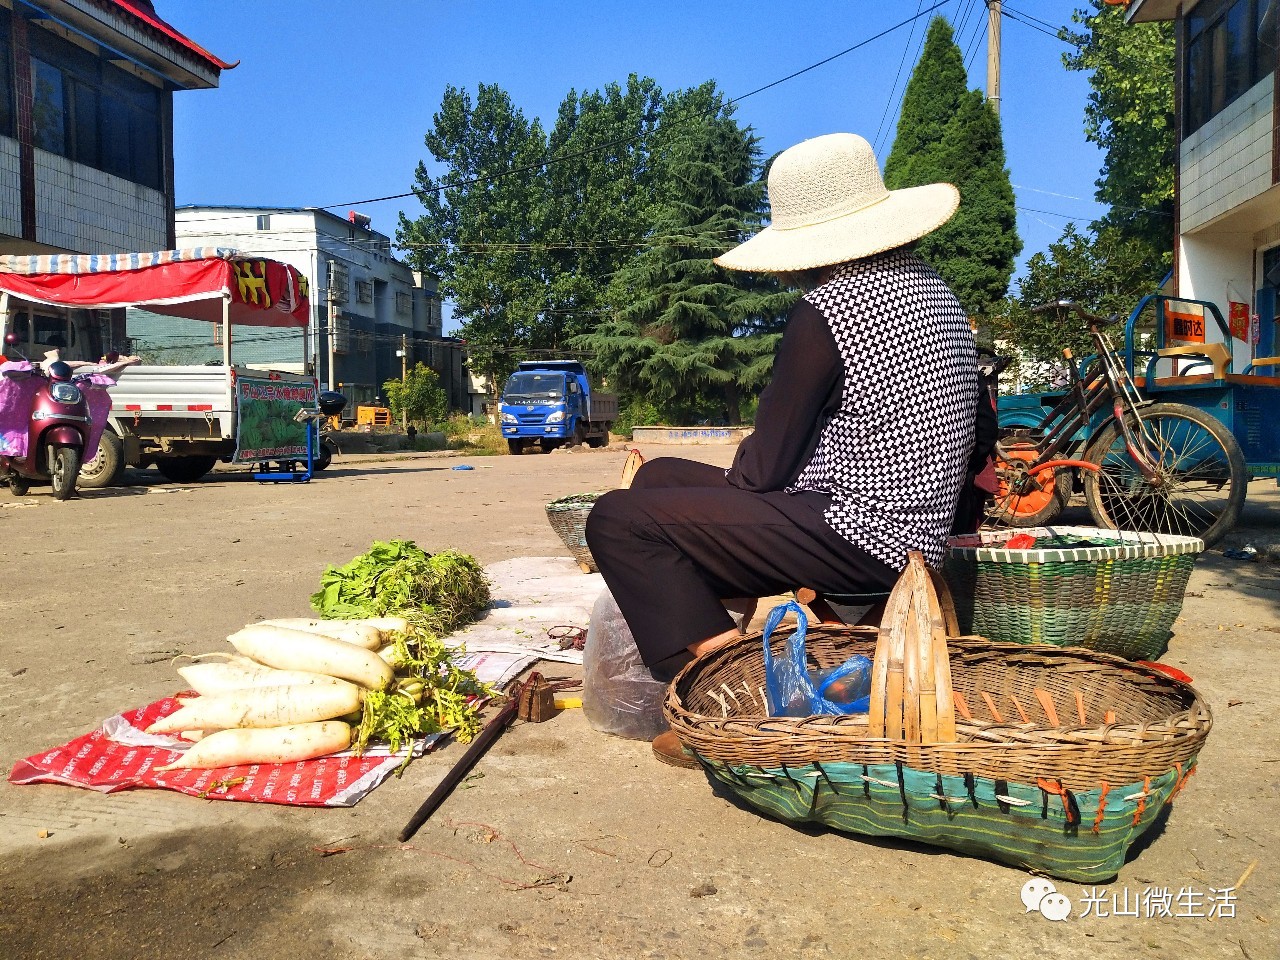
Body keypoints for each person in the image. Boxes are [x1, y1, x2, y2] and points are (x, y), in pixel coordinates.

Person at [584, 133, 979, 765]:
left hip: (860, 531)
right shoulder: (939, 294)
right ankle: (722, 645)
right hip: (907, 528)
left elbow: (764, 469)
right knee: (658, 475)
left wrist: (747, 462)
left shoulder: (828, 309)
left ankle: (730, 691)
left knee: (618, 520)